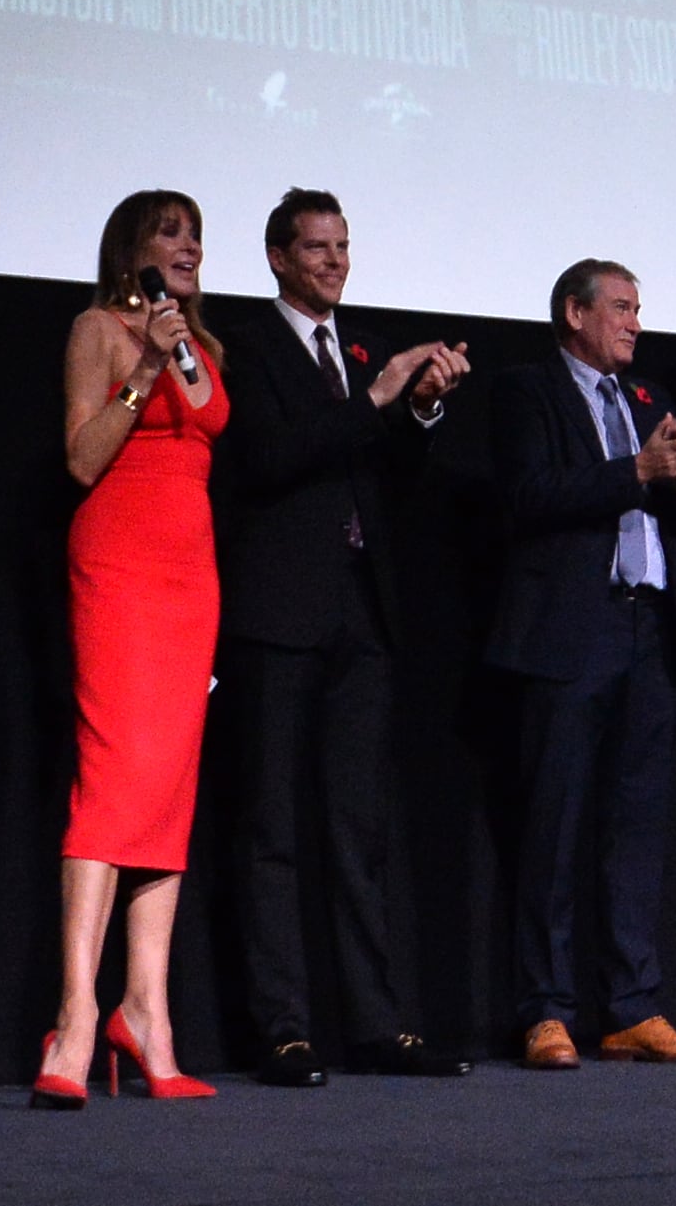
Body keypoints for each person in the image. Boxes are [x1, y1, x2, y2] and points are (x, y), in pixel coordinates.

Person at [210, 189, 473, 1085]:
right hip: (276, 614)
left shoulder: (360, 349)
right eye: (317, 247)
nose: (334, 261)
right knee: (270, 827)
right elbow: (270, 459)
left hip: (365, 615)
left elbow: (392, 476)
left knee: (358, 828)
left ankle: (374, 1022)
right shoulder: (241, 345)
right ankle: (282, 1026)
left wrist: (423, 408)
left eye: (343, 245)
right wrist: (377, 395)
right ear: (278, 257)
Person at [477, 259, 676, 1070]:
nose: (634, 322)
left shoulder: (647, 401)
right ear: (573, 312)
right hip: (567, 632)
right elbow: (528, 494)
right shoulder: (527, 390)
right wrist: (638, 473)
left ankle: (630, 1006)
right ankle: (545, 1010)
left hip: (646, 632)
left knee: (635, 828)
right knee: (552, 827)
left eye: (637, 308)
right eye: (620, 307)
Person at [38, 190, 231, 1108]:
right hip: (118, 566)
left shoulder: (209, 345)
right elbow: (81, 458)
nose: (187, 247)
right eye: (170, 233)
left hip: (190, 579)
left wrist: (176, 349)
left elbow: (208, 422)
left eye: (194, 234)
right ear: (132, 251)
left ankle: (146, 1009)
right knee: (111, 776)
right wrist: (144, 364)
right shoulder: (98, 329)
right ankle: (76, 1016)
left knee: (166, 785)